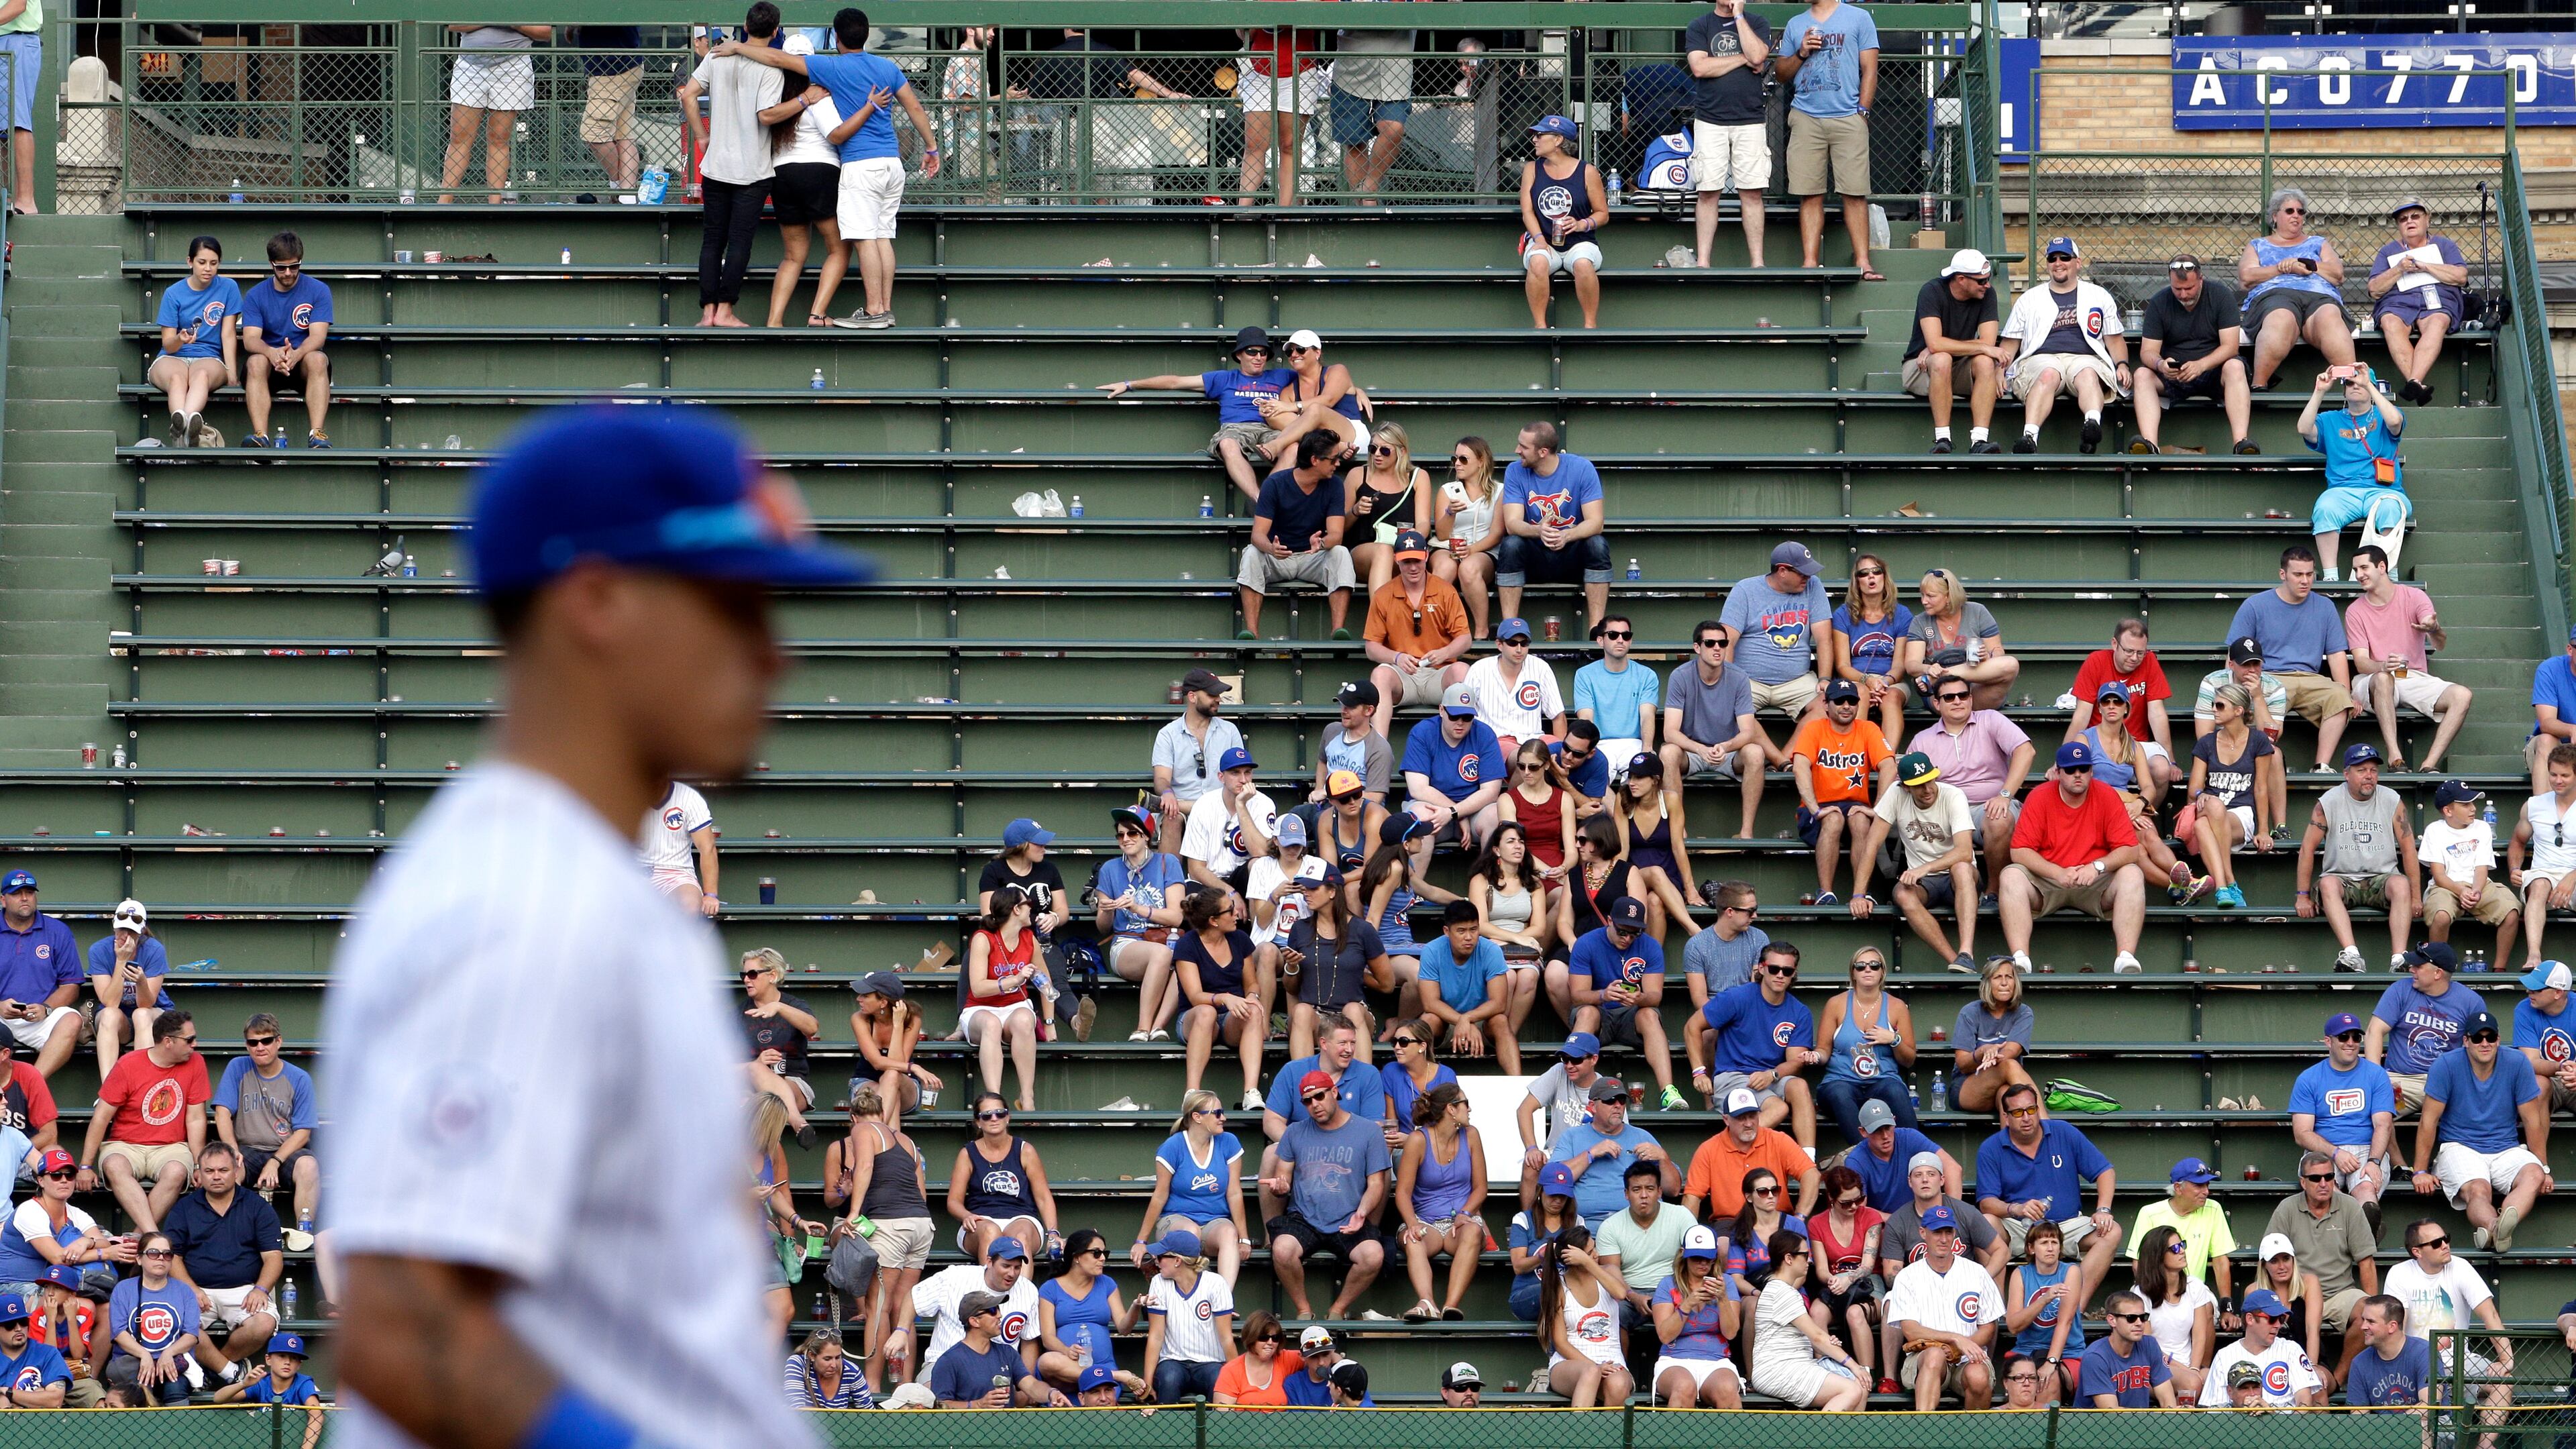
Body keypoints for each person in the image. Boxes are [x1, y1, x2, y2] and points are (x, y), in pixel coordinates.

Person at [1999, 740, 2147, 975]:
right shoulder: (2039, 796)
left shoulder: (2107, 795)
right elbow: (2019, 850)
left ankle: (2125, 957)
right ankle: (2020, 958)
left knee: (2132, 872)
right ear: (2058, 772)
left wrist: (2097, 866)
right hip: (2048, 883)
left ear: (2092, 771)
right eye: (2070, 770)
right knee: (2010, 875)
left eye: (2084, 769)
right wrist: (2057, 872)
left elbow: (2131, 849)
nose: (2078, 775)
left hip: (2095, 884)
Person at [682, 7, 785, 330]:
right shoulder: (771, 67)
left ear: (744, 25)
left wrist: (701, 136)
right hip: (753, 169)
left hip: (716, 166)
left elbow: (688, 96)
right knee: (740, 242)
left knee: (712, 240)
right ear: (776, 30)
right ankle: (726, 311)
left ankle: (707, 312)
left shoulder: (716, 57)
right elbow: (765, 115)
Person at [1102, 329, 1293, 502]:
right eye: (1252, 352)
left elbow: (1319, 378)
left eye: (1263, 353)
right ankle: (1260, 500)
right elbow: (1175, 382)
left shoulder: (1281, 376)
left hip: (1272, 427)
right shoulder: (1224, 378)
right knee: (1227, 444)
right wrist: (1129, 384)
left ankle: (1270, 496)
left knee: (1294, 447)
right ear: (1239, 355)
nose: (1259, 357)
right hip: (1237, 428)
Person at [2414, 1009, 2551, 1251]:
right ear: (2466, 1041)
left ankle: (2495, 1231)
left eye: (2491, 1037)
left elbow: (2532, 1120)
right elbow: (2428, 1121)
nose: (2484, 1043)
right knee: (2478, 1189)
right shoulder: (2446, 1065)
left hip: (2505, 1147)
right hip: (2459, 1146)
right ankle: (2496, 1226)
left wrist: (2544, 1167)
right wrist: (2420, 1170)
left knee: (2534, 1174)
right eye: (2477, 1038)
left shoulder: (2517, 1063)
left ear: (2498, 1040)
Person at [1975, 1079, 2121, 1301]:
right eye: (2017, 1113)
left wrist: (2103, 1209)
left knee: (2112, 1231)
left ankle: (2073, 1308)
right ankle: (1995, 1310)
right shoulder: (1991, 1148)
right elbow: (1986, 1203)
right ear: (2005, 1117)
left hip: (2067, 1225)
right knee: (1985, 1223)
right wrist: (2017, 1208)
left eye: (2031, 1109)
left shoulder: (2063, 1132)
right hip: (2020, 1227)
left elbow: (2105, 1172)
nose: (2026, 1117)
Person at [1265, 1069, 1391, 1321]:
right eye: (1308, 1101)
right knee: (1282, 1249)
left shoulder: (1368, 1131)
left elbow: (1376, 1183)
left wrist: (1362, 1213)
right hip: (1304, 1217)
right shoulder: (1295, 1132)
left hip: (1349, 1216)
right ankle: (1304, 1311)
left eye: (1320, 1097)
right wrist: (1281, 1188)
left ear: (1334, 1092)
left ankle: (1337, 1310)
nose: (1315, 1105)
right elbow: (1284, 1178)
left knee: (1374, 1255)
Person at [1909, 643, 2036, 888]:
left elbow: (2026, 750)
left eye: (1963, 695)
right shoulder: (1922, 740)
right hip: (1944, 812)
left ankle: (1995, 889)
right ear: (1937, 704)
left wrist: (2005, 795)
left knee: (1999, 819)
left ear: (1971, 698)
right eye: (1949, 697)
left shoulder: (1990, 719)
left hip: (1988, 807)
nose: (1957, 701)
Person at [1772, 0, 1878, 278]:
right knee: (1810, 194)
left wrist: (1862, 112)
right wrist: (1801, 52)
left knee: (1855, 194)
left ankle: (1863, 262)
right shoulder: (1796, 24)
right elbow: (1781, 73)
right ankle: (1809, 262)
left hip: (1848, 117)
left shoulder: (1859, 18)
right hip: (1806, 117)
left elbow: (1870, 69)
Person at [75, 1012, 205, 1235]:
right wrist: (86, 1166)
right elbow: (102, 1117)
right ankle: (152, 1237)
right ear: (168, 1042)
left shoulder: (196, 1062)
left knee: (175, 1172)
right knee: (114, 1165)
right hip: (125, 1144)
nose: (195, 1044)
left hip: (171, 1146)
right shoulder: (129, 1064)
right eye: (190, 1040)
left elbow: (195, 1119)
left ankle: (139, 1238)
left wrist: (198, 1164)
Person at [1997, 236, 2129, 454]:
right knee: (2049, 373)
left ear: (2077, 262)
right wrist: (1999, 370)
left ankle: (2092, 426)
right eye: (2052, 258)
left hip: (2085, 358)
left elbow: (2114, 340)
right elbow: (2010, 344)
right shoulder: (2029, 299)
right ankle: (2030, 439)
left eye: (2065, 257)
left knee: (2088, 373)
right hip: (2041, 359)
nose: (2058, 263)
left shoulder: (2098, 295)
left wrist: (2123, 364)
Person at [2299, 742, 2418, 974]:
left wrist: (2416, 897)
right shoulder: (2329, 801)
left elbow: (2409, 848)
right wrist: (2302, 895)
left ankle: (2399, 959)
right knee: (2327, 883)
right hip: (2342, 879)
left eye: (2373, 770)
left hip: (2381, 879)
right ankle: (2352, 955)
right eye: (2361, 770)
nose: (2369, 776)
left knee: (2401, 884)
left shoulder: (2392, 799)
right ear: (2346, 774)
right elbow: (2307, 848)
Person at [1855, 753, 1980, 971]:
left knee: (1960, 868)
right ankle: (1956, 962)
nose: (1927, 789)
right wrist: (1858, 894)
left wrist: (1925, 868)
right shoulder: (1895, 794)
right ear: (1905, 787)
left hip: (1958, 877)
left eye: (1930, 780)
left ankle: (1966, 952)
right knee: (1903, 894)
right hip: (1925, 884)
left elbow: (1964, 852)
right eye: (1919, 785)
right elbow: (1872, 844)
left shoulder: (1953, 795)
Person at [1689, 944, 1821, 1146]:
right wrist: (1699, 1072)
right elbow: (1693, 1027)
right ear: (1761, 968)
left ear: (1793, 974)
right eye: (1773, 969)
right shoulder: (1737, 997)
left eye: (1787, 971)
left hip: (1771, 1078)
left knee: (1800, 1086)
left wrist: (1773, 1075)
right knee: (1779, 1108)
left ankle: (1808, 1160)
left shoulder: (1799, 1011)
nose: (1780, 975)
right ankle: (1724, 1149)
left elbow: (1795, 1062)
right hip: (1734, 1076)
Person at [759, 36, 849, 329]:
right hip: (820, 171)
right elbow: (835, 133)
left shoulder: (774, 93)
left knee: (793, 256)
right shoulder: (819, 94)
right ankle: (818, 314)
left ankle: (774, 320)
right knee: (839, 248)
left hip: (782, 174)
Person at [2268, 1148, 2382, 1366]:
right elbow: (2270, 1257)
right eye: (2315, 1178)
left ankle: (2337, 1380)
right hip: (2298, 1294)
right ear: (2303, 1182)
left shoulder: (2349, 1206)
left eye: (2329, 1177)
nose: (2323, 1183)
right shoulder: (2287, 1208)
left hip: (2340, 1293)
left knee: (2368, 1314)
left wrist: (2372, 1308)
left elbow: (2366, 1262)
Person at [2131, 254, 2254, 455]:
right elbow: (2147, 352)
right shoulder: (2159, 302)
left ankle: (2241, 443)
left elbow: (2231, 347)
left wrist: (2201, 365)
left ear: (2200, 279)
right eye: (2177, 289)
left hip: (2214, 370)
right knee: (2142, 375)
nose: (2183, 294)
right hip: (2175, 374)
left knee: (2235, 366)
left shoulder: (2220, 295)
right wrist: (2161, 364)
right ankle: (2150, 446)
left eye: (2189, 288)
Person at [1558, 899, 1676, 1108]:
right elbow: (1577, 995)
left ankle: (1668, 1092)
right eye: (1622, 931)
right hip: (1599, 1014)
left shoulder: (1650, 946)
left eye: (1634, 933)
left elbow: (1655, 996)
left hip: (1632, 1015)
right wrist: (1604, 994)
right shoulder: (1587, 943)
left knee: (1649, 1014)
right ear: (1610, 921)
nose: (1628, 938)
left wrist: (1640, 998)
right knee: (1586, 1013)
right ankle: (1568, 1094)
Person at [2382, 1219, 2513, 1407]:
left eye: (2446, 1238)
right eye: (2436, 1243)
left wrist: (2506, 1359)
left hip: (2460, 1361)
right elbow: (2398, 1326)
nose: (2445, 1245)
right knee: (2431, 1406)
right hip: (2416, 1364)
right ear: (2417, 1252)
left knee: (2504, 1384)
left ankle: (2484, 1439)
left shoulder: (2461, 1267)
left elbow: (2490, 1314)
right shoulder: (2399, 1273)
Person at [1238, 431, 1355, 641]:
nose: (1338, 464)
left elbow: (1336, 535)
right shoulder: (1275, 484)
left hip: (1313, 556)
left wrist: (1320, 543)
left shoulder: (1335, 485)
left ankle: (1338, 630)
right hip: (1278, 556)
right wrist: (1271, 549)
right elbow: (1258, 535)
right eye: (1333, 459)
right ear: (1315, 460)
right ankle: (1252, 632)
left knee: (1340, 553)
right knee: (1252, 554)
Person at [1683, 0, 1774, 268]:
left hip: (1750, 119)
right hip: (1710, 119)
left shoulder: (1757, 23)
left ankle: (1758, 262)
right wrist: (1743, 59)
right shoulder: (1700, 25)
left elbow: (1758, 55)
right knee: (1708, 192)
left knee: (1752, 193)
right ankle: (1703, 262)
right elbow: (1700, 68)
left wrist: (1738, 16)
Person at [2240, 186, 2358, 392]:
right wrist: (2280, 268)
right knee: (2281, 318)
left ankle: (2354, 385)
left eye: (2300, 211)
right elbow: (2247, 277)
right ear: (2275, 216)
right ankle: (2259, 385)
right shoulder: (2258, 245)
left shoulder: (2318, 243)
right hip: (2275, 297)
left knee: (2330, 315)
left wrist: (2304, 264)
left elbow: (2338, 274)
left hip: (2319, 296)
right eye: (2290, 211)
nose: (2296, 215)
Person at [2344, 556, 2459, 767]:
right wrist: (2383, 666)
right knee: (2383, 679)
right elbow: (2361, 663)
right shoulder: (2355, 610)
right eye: (2355, 569)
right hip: (2373, 679)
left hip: (2411, 676)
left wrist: (2433, 629)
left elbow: (2440, 643)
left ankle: (2429, 765)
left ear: (2382, 567)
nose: (2359, 575)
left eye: (2364, 568)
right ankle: (2395, 757)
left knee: (2462, 696)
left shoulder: (2414, 596)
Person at [1791, 680, 1897, 906]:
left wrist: (1877, 809)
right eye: (1839, 701)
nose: (1846, 706)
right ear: (1826, 704)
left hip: (1854, 806)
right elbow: (1800, 766)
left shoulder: (1868, 729)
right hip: (1818, 808)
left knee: (1860, 818)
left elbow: (1889, 766)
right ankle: (1826, 892)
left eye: (1852, 701)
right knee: (1833, 818)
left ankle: (1860, 894)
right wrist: (1815, 809)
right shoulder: (1814, 728)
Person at [2299, 366, 2409, 582]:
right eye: (2350, 383)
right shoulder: (2330, 419)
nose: (2355, 385)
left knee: (2391, 507)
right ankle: (2331, 577)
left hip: (2382, 490)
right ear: (2344, 391)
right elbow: (2304, 429)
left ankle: (2386, 573)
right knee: (2325, 507)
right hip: (2342, 492)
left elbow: (2395, 422)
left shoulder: (2384, 413)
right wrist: (2320, 391)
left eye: (2360, 382)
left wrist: (2369, 384)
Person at [1496, 422, 1610, 627]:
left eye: (1523, 447)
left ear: (1543, 452)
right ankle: (1510, 628)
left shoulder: (1582, 469)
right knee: (1511, 544)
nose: (1517, 451)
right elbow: (1512, 524)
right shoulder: (1514, 471)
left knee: (1597, 544)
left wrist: (1566, 535)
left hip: (1572, 555)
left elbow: (1596, 523)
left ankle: (1597, 630)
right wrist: (1539, 530)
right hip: (1534, 557)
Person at [1885, 1205, 2000, 1409]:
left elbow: (1988, 1328)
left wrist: (1961, 1347)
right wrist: (1954, 1339)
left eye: (1948, 1232)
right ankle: (1924, 1430)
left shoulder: (1977, 1272)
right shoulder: (1907, 1276)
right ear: (1923, 1233)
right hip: (1923, 1357)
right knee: (1934, 1356)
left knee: (1978, 1376)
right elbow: (1911, 1331)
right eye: (1937, 1232)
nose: (1944, 1239)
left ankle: (1976, 1437)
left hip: (1968, 1358)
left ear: (1955, 1234)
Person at [1662, 621, 1769, 839]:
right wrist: (1700, 749)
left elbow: (1748, 731)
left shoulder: (1738, 677)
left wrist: (1727, 746)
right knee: (1667, 752)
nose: (1717, 648)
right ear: (1697, 647)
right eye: (1710, 643)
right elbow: (1670, 732)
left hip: (1728, 751)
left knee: (1756, 753)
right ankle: (1679, 832)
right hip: (1693, 751)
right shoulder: (1680, 676)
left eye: (1722, 643)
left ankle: (1746, 833)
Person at [2289, 1015, 2398, 1226]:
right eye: (2343, 1037)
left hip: (2368, 1147)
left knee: (2366, 1189)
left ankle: (2364, 1226)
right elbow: (2302, 1133)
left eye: (2356, 1037)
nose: (2351, 1042)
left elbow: (2383, 1125)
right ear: (2328, 1041)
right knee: (2326, 1190)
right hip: (2325, 1150)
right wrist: (2336, 1153)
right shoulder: (2309, 1078)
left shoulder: (2376, 1075)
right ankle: (2362, 1232)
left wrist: (2375, 1162)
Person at [1364, 530, 1474, 737]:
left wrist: (1445, 652)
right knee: (1380, 674)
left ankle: (1464, 748)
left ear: (1427, 557)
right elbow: (1371, 647)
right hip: (1404, 674)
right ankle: (1379, 751)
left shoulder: (1444, 590)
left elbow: (1465, 638)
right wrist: (1395, 657)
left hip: (1438, 673)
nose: (1413, 567)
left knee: (1462, 670)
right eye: (1407, 562)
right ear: (1397, 561)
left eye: (1417, 560)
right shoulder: (1384, 594)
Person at [1395, 1082, 1487, 1322]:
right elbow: (1403, 1192)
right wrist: (1412, 1223)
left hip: (1462, 1221)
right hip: (1426, 1221)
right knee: (1413, 1239)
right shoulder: (1418, 1140)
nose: (1470, 1109)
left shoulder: (1472, 1134)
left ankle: (1450, 1306)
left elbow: (1481, 1188)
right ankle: (1427, 1303)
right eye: (1465, 1103)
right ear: (1451, 1109)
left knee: (1474, 1232)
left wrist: (1465, 1212)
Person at [2182, 681, 2279, 909]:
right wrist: (2200, 794)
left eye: (2220, 706)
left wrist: (2264, 830)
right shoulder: (2206, 743)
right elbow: (2194, 787)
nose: (2214, 710)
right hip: (2210, 806)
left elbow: (2261, 787)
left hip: (2241, 812)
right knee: (2213, 808)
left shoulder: (2258, 741)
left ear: (2238, 711)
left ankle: (2224, 884)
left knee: (2201, 826)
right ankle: (2227, 886)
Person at [1095, 806, 1187, 1043]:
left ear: (1147, 835)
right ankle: (1142, 1028)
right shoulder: (1110, 869)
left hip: (1166, 939)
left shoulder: (1168, 863)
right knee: (1162, 954)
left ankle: (1158, 1028)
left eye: (1133, 833)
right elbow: (1103, 928)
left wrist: (1138, 908)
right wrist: (1105, 910)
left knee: (1188, 959)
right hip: (1127, 943)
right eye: (1121, 834)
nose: (1125, 839)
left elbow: (1176, 917)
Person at [239, 231, 334, 449]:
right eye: (281, 268)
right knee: (255, 361)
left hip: (303, 364)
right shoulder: (256, 295)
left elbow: (318, 336)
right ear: (271, 264)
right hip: (270, 365)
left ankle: (317, 434)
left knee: (318, 359)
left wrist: (295, 354)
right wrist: (273, 353)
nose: (288, 273)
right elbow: (250, 340)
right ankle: (260, 436)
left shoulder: (319, 290)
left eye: (294, 266)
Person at [1903, 250, 2006, 453]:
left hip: (1958, 366)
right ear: (1961, 279)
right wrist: (1980, 346)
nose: (1987, 285)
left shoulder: (1987, 294)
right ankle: (1943, 440)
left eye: (1988, 279)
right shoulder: (1931, 291)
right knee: (1942, 359)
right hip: (1920, 368)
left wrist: (1978, 347)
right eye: (1981, 281)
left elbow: (1988, 342)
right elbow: (1935, 345)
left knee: (1985, 362)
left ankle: (1979, 441)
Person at [1285, 864, 1388, 1065]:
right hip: (1315, 1016)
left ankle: (1363, 1086)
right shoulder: (1299, 929)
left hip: (1353, 1013)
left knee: (1353, 1009)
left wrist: (1357, 973)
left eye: (1313, 889)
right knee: (1301, 1011)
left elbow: (1387, 983)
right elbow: (1291, 988)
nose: (1307, 893)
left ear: (1332, 892)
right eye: (1305, 888)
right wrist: (1291, 967)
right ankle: (1308, 1088)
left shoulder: (1362, 930)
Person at [2371, 199, 2469, 405]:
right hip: (2398, 302)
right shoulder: (2388, 251)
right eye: (2403, 219)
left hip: (2437, 300)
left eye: (2415, 216)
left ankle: (2413, 382)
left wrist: (2425, 265)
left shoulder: (2444, 245)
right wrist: (2398, 269)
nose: (2409, 222)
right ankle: (2416, 383)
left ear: (2427, 219)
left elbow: (2461, 276)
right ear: (2399, 226)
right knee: (2390, 322)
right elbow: (2374, 289)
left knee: (2438, 321)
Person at [1754, 1232, 1870, 1409]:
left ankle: (1847, 1437)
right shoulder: (1781, 1291)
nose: (1809, 1261)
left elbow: (1812, 1338)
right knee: (1851, 1390)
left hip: (1796, 1364)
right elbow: (1816, 1336)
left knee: (1861, 1384)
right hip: (1777, 1370)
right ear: (1789, 1258)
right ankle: (1821, 1436)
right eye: (1805, 1255)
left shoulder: (1785, 1290)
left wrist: (1827, 1342)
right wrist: (1855, 1366)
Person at [1175, 892, 1268, 1110]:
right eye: (1230, 910)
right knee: (1206, 1012)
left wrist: (1252, 997)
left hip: (1230, 1020)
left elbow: (1252, 984)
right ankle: (1192, 1093)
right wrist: (1225, 998)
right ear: (1213, 920)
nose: (1237, 913)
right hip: (1194, 1017)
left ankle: (1251, 1093)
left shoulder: (1240, 939)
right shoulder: (1188, 945)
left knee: (1253, 1010)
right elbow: (1195, 996)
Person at [1723, 540, 1833, 725]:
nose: (1808, 577)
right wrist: (1728, 682)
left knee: (1828, 707)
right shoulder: (1745, 590)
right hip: (1750, 681)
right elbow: (1727, 640)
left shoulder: (1813, 585)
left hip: (1797, 681)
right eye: (1802, 572)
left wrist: (1824, 679)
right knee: (1731, 709)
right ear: (1782, 571)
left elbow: (1824, 640)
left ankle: (1785, 755)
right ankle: (1778, 756)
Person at [2368, 941, 2485, 1112]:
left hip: (2447, 1083)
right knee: (2379, 1107)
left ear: (2437, 973)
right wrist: (2376, 1078)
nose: (2411, 970)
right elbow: (2374, 1031)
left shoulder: (2470, 1002)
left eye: (2418, 966)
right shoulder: (2400, 989)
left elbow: (2480, 1045)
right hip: (2401, 1083)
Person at [1552, 1077, 1681, 1232]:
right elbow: (1555, 1179)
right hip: (1588, 1228)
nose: (1618, 1106)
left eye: (1621, 1100)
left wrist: (1663, 1158)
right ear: (1593, 1106)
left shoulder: (1642, 1136)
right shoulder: (1573, 1136)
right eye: (1610, 1101)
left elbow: (1673, 1190)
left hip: (1637, 1226)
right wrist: (1591, 1154)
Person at [1815, 954, 1919, 1145]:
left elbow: (1909, 1060)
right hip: (1841, 1081)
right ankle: (1863, 1157)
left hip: (1882, 1081)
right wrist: (1814, 1056)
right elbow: (1823, 1050)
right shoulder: (1836, 1004)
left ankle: (1917, 1157)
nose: (1868, 969)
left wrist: (1894, 1040)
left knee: (1896, 1091)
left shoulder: (1897, 1007)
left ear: (1882, 972)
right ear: (1853, 973)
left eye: (1874, 965)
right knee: (1840, 1093)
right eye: (1861, 966)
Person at [439, 24, 549, 203]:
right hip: (470, 65)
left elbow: (545, 33)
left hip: (513, 66)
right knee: (459, 136)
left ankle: (495, 205)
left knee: (499, 138)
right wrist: (494, 17)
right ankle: (444, 203)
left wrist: (513, 23)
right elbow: (453, 23)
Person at [2194, 637, 2295, 829]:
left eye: (2256, 664)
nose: (2252, 670)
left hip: (2254, 749)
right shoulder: (2212, 682)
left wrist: (2257, 697)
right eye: (2245, 665)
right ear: (2231, 664)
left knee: (2274, 754)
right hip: (2220, 747)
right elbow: (2204, 735)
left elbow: (2270, 738)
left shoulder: (2274, 687)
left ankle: (2280, 827)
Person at [149, 235, 239, 450]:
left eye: (214, 263)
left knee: (201, 376)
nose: (208, 268)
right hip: (173, 356)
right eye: (202, 262)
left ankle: (183, 429)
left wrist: (232, 372)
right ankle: (187, 426)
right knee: (177, 378)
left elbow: (228, 334)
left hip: (208, 356)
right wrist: (180, 339)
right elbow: (168, 344)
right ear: (190, 262)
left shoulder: (228, 288)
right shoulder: (173, 293)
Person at [1517, 116, 1608, 330]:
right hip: (1544, 241)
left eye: (1540, 135)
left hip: (1580, 241)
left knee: (1583, 264)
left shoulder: (1587, 171)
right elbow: (1527, 211)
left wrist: (1581, 224)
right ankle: (1540, 327)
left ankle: (1590, 326)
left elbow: (1602, 213)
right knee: (1538, 262)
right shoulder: (1532, 169)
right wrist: (1538, 240)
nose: (1535, 140)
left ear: (1558, 140)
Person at [1684, 1086, 1820, 1227]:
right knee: (1724, 1247)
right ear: (1726, 1119)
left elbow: (1811, 1175)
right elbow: (1692, 1197)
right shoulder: (1709, 1149)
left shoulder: (1778, 1140)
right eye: (1741, 1118)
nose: (1749, 1123)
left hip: (1776, 1219)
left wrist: (1799, 1216)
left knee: (1794, 1245)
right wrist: (1687, 1235)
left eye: (1752, 1116)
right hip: (1730, 1223)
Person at [1033, 1228, 1145, 1399]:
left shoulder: (1107, 1284)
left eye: (1104, 1253)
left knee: (1102, 1394)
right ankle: (1117, 1376)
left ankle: (1102, 1377)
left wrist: (1135, 1307)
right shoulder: (1050, 1288)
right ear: (1077, 1256)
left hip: (1103, 1370)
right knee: (1047, 1361)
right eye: (1096, 1253)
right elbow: (1048, 1338)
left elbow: (1124, 1328)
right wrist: (1066, 1350)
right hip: (1067, 1373)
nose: (1103, 1258)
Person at [912, 1238, 1040, 1389]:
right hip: (941, 1361)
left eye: (1017, 1268)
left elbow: (1029, 1340)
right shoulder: (956, 1277)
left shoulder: (1028, 1290)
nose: (1012, 1273)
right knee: (931, 1393)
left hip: (999, 1370)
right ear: (990, 1262)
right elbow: (913, 1298)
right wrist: (901, 1330)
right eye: (1006, 1266)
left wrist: (1025, 1385)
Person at [947, 1095, 1057, 1265]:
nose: (994, 1118)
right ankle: (990, 1291)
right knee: (990, 1232)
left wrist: (1053, 1233)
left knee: (1020, 1237)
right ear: (978, 1122)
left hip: (1021, 1216)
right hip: (981, 1220)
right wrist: (967, 1216)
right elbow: (954, 1201)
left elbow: (1043, 1197)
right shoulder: (967, 1153)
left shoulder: (1025, 1150)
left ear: (1008, 1117)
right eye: (987, 1115)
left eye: (1000, 1113)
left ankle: (1022, 1292)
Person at [0, 1147, 125, 1297]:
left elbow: (103, 1241)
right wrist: (104, 1254)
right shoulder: (29, 1210)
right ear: (41, 1181)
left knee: (106, 1308)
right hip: (15, 1286)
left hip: (54, 1284)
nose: (64, 1180)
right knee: (79, 1305)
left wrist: (87, 1242)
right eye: (56, 1175)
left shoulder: (75, 1213)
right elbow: (58, 1258)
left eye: (70, 1175)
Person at [1416, 899, 1521, 1072]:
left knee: (1501, 1021)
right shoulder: (1432, 951)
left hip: (1482, 1020)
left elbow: (1499, 1003)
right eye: (1461, 931)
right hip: (1445, 1019)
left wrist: (1469, 1019)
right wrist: (1462, 1020)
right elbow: (1430, 1003)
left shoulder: (1491, 951)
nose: (1468, 937)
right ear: (1446, 931)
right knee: (1427, 1021)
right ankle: (1422, 1084)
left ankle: (1517, 1085)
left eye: (1474, 930)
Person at [1237, 1, 1325, 205]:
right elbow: (1243, 33)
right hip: (1259, 68)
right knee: (1254, 144)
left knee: (1290, 144)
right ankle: (1243, 211)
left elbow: (1322, 14)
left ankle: (1284, 212)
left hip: (1300, 69)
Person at [1155, 668, 1249, 858]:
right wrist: (1167, 793)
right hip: (1180, 808)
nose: (1218, 699)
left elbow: (1240, 774)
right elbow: (1162, 779)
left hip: (1221, 806)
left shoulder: (1229, 731)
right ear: (1192, 696)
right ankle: (1169, 885)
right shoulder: (1168, 734)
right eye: (1212, 694)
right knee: (1171, 817)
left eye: (1219, 695)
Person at [2070, 619, 2182, 777]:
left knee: (2162, 769)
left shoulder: (2149, 661)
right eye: (2129, 651)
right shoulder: (2096, 661)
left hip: (2136, 743)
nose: (2135, 658)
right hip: (2099, 742)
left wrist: (2171, 760)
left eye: (2140, 652)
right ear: (2115, 644)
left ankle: (2147, 803)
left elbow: (2157, 714)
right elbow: (2082, 715)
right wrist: (2065, 755)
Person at [1651, 1224, 1746, 1408]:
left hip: (1717, 1360)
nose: (1703, 1263)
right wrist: (1687, 1304)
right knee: (1684, 1387)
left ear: (1715, 1257)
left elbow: (1731, 1333)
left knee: (1727, 1390)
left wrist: (1723, 1299)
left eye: (1708, 1258)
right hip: (1675, 1359)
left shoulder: (1726, 1282)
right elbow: (1664, 1335)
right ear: (1684, 1255)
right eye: (1696, 1258)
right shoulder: (1668, 1284)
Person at [1904, 568, 2022, 717]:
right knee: (1952, 697)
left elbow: (1998, 652)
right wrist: (1929, 669)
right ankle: (1940, 680)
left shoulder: (1977, 612)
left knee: (2010, 664)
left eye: (1930, 596)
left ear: (1948, 596)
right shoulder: (1920, 622)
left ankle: (1941, 678)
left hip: (1975, 690)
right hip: (1940, 693)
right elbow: (1911, 665)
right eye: (1922, 595)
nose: (1924, 601)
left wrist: (1988, 657)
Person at [1538, 1222, 1631, 1407]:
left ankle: (1609, 1436)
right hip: (1571, 1363)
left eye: (1594, 1248)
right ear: (1574, 1258)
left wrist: (1589, 1263)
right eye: (1590, 1253)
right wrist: (1595, 1366)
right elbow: (1561, 1343)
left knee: (1618, 1384)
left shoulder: (1609, 1272)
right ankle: (1578, 1434)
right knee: (1590, 1372)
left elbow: (1621, 1294)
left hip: (1612, 1357)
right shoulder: (1559, 1287)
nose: (1596, 1255)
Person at [1403, 683, 1506, 851]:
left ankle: (1490, 877)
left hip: (1474, 813)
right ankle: (1414, 878)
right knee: (1420, 817)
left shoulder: (1485, 734)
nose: (1460, 723)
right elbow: (1418, 789)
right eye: (1454, 716)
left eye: (1467, 718)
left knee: (1496, 815)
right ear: (1442, 710)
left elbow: (1491, 792)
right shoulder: (1422, 732)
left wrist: (1455, 812)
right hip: (1433, 808)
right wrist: (1457, 815)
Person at [1807, 1165, 1887, 1380]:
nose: (1854, 1206)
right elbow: (1822, 1270)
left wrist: (1848, 1279)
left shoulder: (1870, 1216)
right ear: (1832, 1198)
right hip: (1835, 1283)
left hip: (1868, 1283)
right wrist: (1835, 1280)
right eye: (1846, 1202)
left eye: (1858, 1200)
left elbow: (1868, 1264)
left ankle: (1867, 1374)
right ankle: (1823, 1372)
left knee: (1855, 1313)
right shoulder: (1817, 1223)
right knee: (1816, 1313)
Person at [2425, 782, 2516, 967]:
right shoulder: (2434, 830)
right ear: (2448, 811)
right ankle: (2437, 966)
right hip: (2446, 886)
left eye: (2474, 803)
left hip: (2480, 884)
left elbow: (2481, 868)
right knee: (2441, 915)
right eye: (2465, 805)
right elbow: (2439, 874)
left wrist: (2476, 890)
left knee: (2511, 911)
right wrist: (2460, 890)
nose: (2473, 809)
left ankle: (2499, 970)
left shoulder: (2482, 828)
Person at [101, 1231, 197, 1406]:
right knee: (141, 1389)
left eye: (167, 1255)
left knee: (175, 1388)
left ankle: (179, 1433)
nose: (161, 1258)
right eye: (153, 1253)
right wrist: (144, 1354)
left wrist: (168, 1353)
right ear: (139, 1259)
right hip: (134, 1361)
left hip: (173, 1361)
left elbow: (191, 1335)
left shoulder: (185, 1291)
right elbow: (119, 1333)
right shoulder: (124, 1289)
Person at [1140, 1229, 1233, 1404]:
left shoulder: (1216, 1283)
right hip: (1173, 1361)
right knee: (1169, 1379)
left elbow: (1226, 1337)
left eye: (1160, 1257)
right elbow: (1156, 1336)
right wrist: (1147, 1383)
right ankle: (1166, 1430)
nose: (1156, 1261)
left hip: (1211, 1362)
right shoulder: (1158, 1282)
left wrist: (1237, 1379)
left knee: (1218, 1379)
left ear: (1177, 1260)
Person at [930, 1289, 1065, 1408]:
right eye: (993, 1311)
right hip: (966, 1432)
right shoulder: (949, 1360)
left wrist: (1051, 1393)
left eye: (998, 1309)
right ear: (974, 1321)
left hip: (1006, 1431)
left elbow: (1031, 1385)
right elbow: (941, 1406)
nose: (999, 1315)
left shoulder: (1007, 1353)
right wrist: (977, 1405)